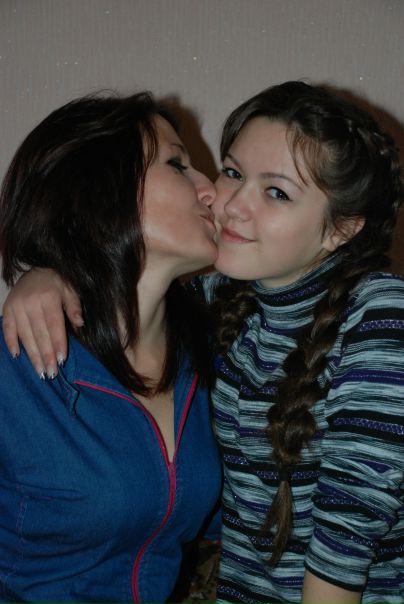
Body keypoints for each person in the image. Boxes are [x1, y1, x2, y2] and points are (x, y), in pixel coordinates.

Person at [3, 81, 404, 604]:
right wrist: (43, 269)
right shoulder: (216, 313)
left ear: (341, 229)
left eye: (276, 192)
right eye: (230, 172)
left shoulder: (359, 311)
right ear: (100, 193)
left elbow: (348, 522)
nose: (224, 198)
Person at [0, 92, 222, 604]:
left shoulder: (212, 356)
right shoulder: (14, 369)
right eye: (177, 164)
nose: (210, 188)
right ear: (99, 191)